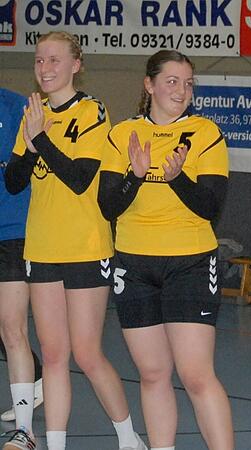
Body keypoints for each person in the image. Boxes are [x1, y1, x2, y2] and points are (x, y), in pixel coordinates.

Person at [3, 32, 145, 450]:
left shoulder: (92, 111)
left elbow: (81, 178)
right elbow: (13, 182)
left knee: (86, 353)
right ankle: (55, 444)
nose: (45, 68)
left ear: (76, 65)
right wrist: (31, 145)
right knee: (53, 355)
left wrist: (40, 139)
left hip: (85, 246)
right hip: (41, 247)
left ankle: (128, 437)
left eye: (54, 60)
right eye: (39, 60)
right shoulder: (34, 114)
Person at [98, 49, 234, 450]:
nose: (181, 91)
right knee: (153, 373)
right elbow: (108, 206)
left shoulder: (206, 133)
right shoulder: (123, 135)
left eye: (188, 83)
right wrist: (135, 176)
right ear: (149, 85)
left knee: (196, 375)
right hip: (134, 265)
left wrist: (177, 179)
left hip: (189, 264)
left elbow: (210, 207)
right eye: (172, 81)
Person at [0, 87, 46, 449]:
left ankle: (25, 431)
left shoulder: (17, 108)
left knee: (12, 327)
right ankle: (37, 375)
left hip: (12, 232)